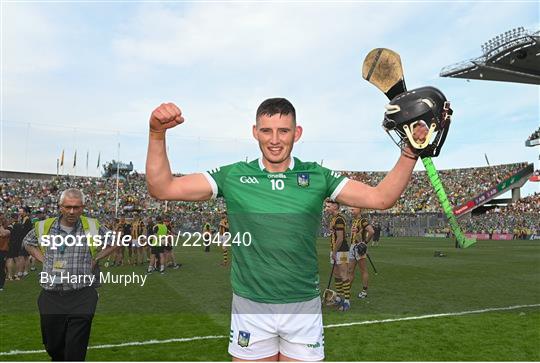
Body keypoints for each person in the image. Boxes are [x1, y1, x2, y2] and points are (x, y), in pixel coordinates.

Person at [145, 98, 428, 361]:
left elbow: (381, 198)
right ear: (255, 132)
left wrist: (410, 152)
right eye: (267, 131)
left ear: (297, 133)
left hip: (302, 307)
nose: (275, 140)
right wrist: (157, 134)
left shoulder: (317, 175)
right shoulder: (233, 176)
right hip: (251, 307)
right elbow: (162, 187)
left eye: (283, 131)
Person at [23, 188, 119, 361]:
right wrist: (44, 260)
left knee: (75, 349)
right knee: (53, 346)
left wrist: (96, 257)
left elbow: (115, 242)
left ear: (83, 207)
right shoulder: (45, 226)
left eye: (76, 207)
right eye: (67, 207)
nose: (72, 211)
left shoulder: (93, 226)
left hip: (82, 295)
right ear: (60, 207)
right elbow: (28, 243)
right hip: (51, 295)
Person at [348, 207, 374, 299]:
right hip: (352, 247)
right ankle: (347, 291)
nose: (351, 211)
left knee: (363, 270)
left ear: (359, 210)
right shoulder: (354, 221)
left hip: (359, 248)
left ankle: (364, 291)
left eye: (353, 209)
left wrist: (364, 243)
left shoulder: (362, 221)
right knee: (350, 270)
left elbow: (371, 231)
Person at [0, 214, 11, 291]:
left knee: (1, 268)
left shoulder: (9, 229)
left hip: (3, 251)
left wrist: (0, 225)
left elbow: (3, 234)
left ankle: (1, 285)